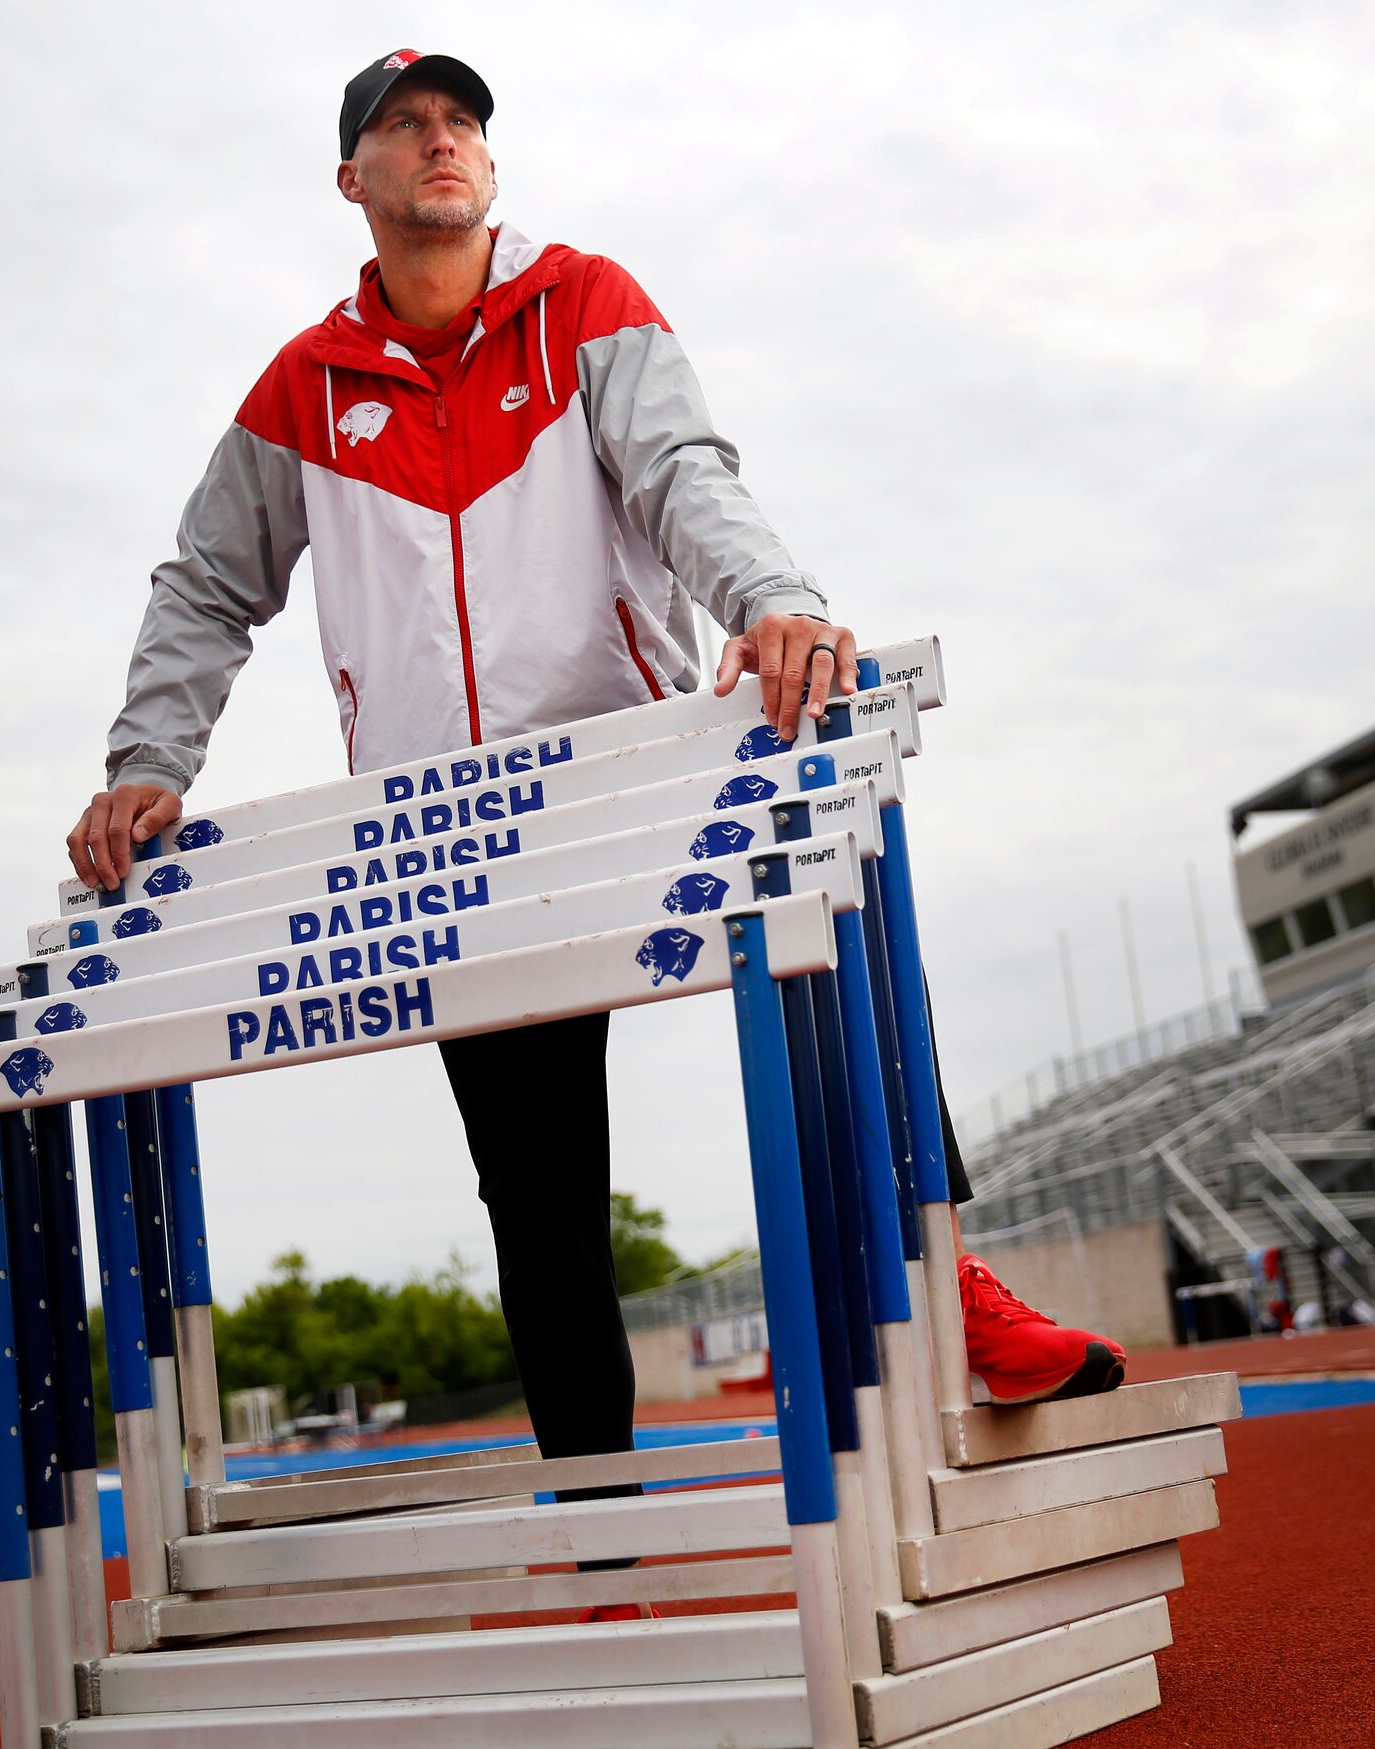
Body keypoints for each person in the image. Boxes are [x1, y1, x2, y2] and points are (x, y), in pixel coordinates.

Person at [63, 51, 1123, 1559]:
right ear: (351, 179)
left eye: (463, 124)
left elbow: (685, 469)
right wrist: (142, 765)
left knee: (840, 929)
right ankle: (598, 1529)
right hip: (452, 830)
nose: (443, 142)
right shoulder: (303, 388)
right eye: (404, 127)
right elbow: (206, 586)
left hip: (634, 770)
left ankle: (951, 1296)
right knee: (538, 1192)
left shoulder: (583, 304)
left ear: (488, 167)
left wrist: (771, 600)